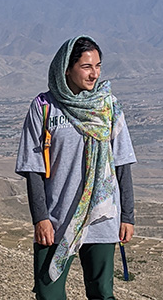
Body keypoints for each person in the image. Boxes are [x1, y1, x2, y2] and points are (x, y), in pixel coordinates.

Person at [15, 35, 136, 300]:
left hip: (101, 218)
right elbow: (32, 168)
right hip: (57, 219)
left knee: (102, 293)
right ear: (66, 68)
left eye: (98, 66)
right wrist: (41, 218)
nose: (94, 74)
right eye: (86, 67)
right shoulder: (43, 107)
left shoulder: (109, 107)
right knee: (49, 294)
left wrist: (127, 216)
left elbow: (122, 163)